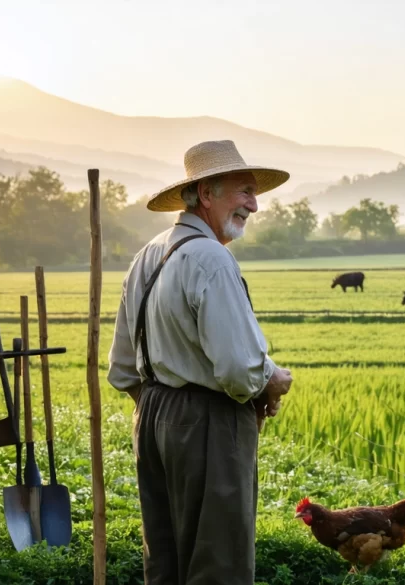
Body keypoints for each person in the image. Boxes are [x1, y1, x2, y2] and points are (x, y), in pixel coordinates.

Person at [107, 140, 294, 584]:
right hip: (209, 421)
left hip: (152, 416)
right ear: (207, 193)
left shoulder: (148, 253)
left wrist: (163, 411)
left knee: (165, 561)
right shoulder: (211, 258)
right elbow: (239, 371)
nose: (254, 205)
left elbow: (123, 368)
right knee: (218, 563)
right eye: (245, 191)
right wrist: (272, 380)